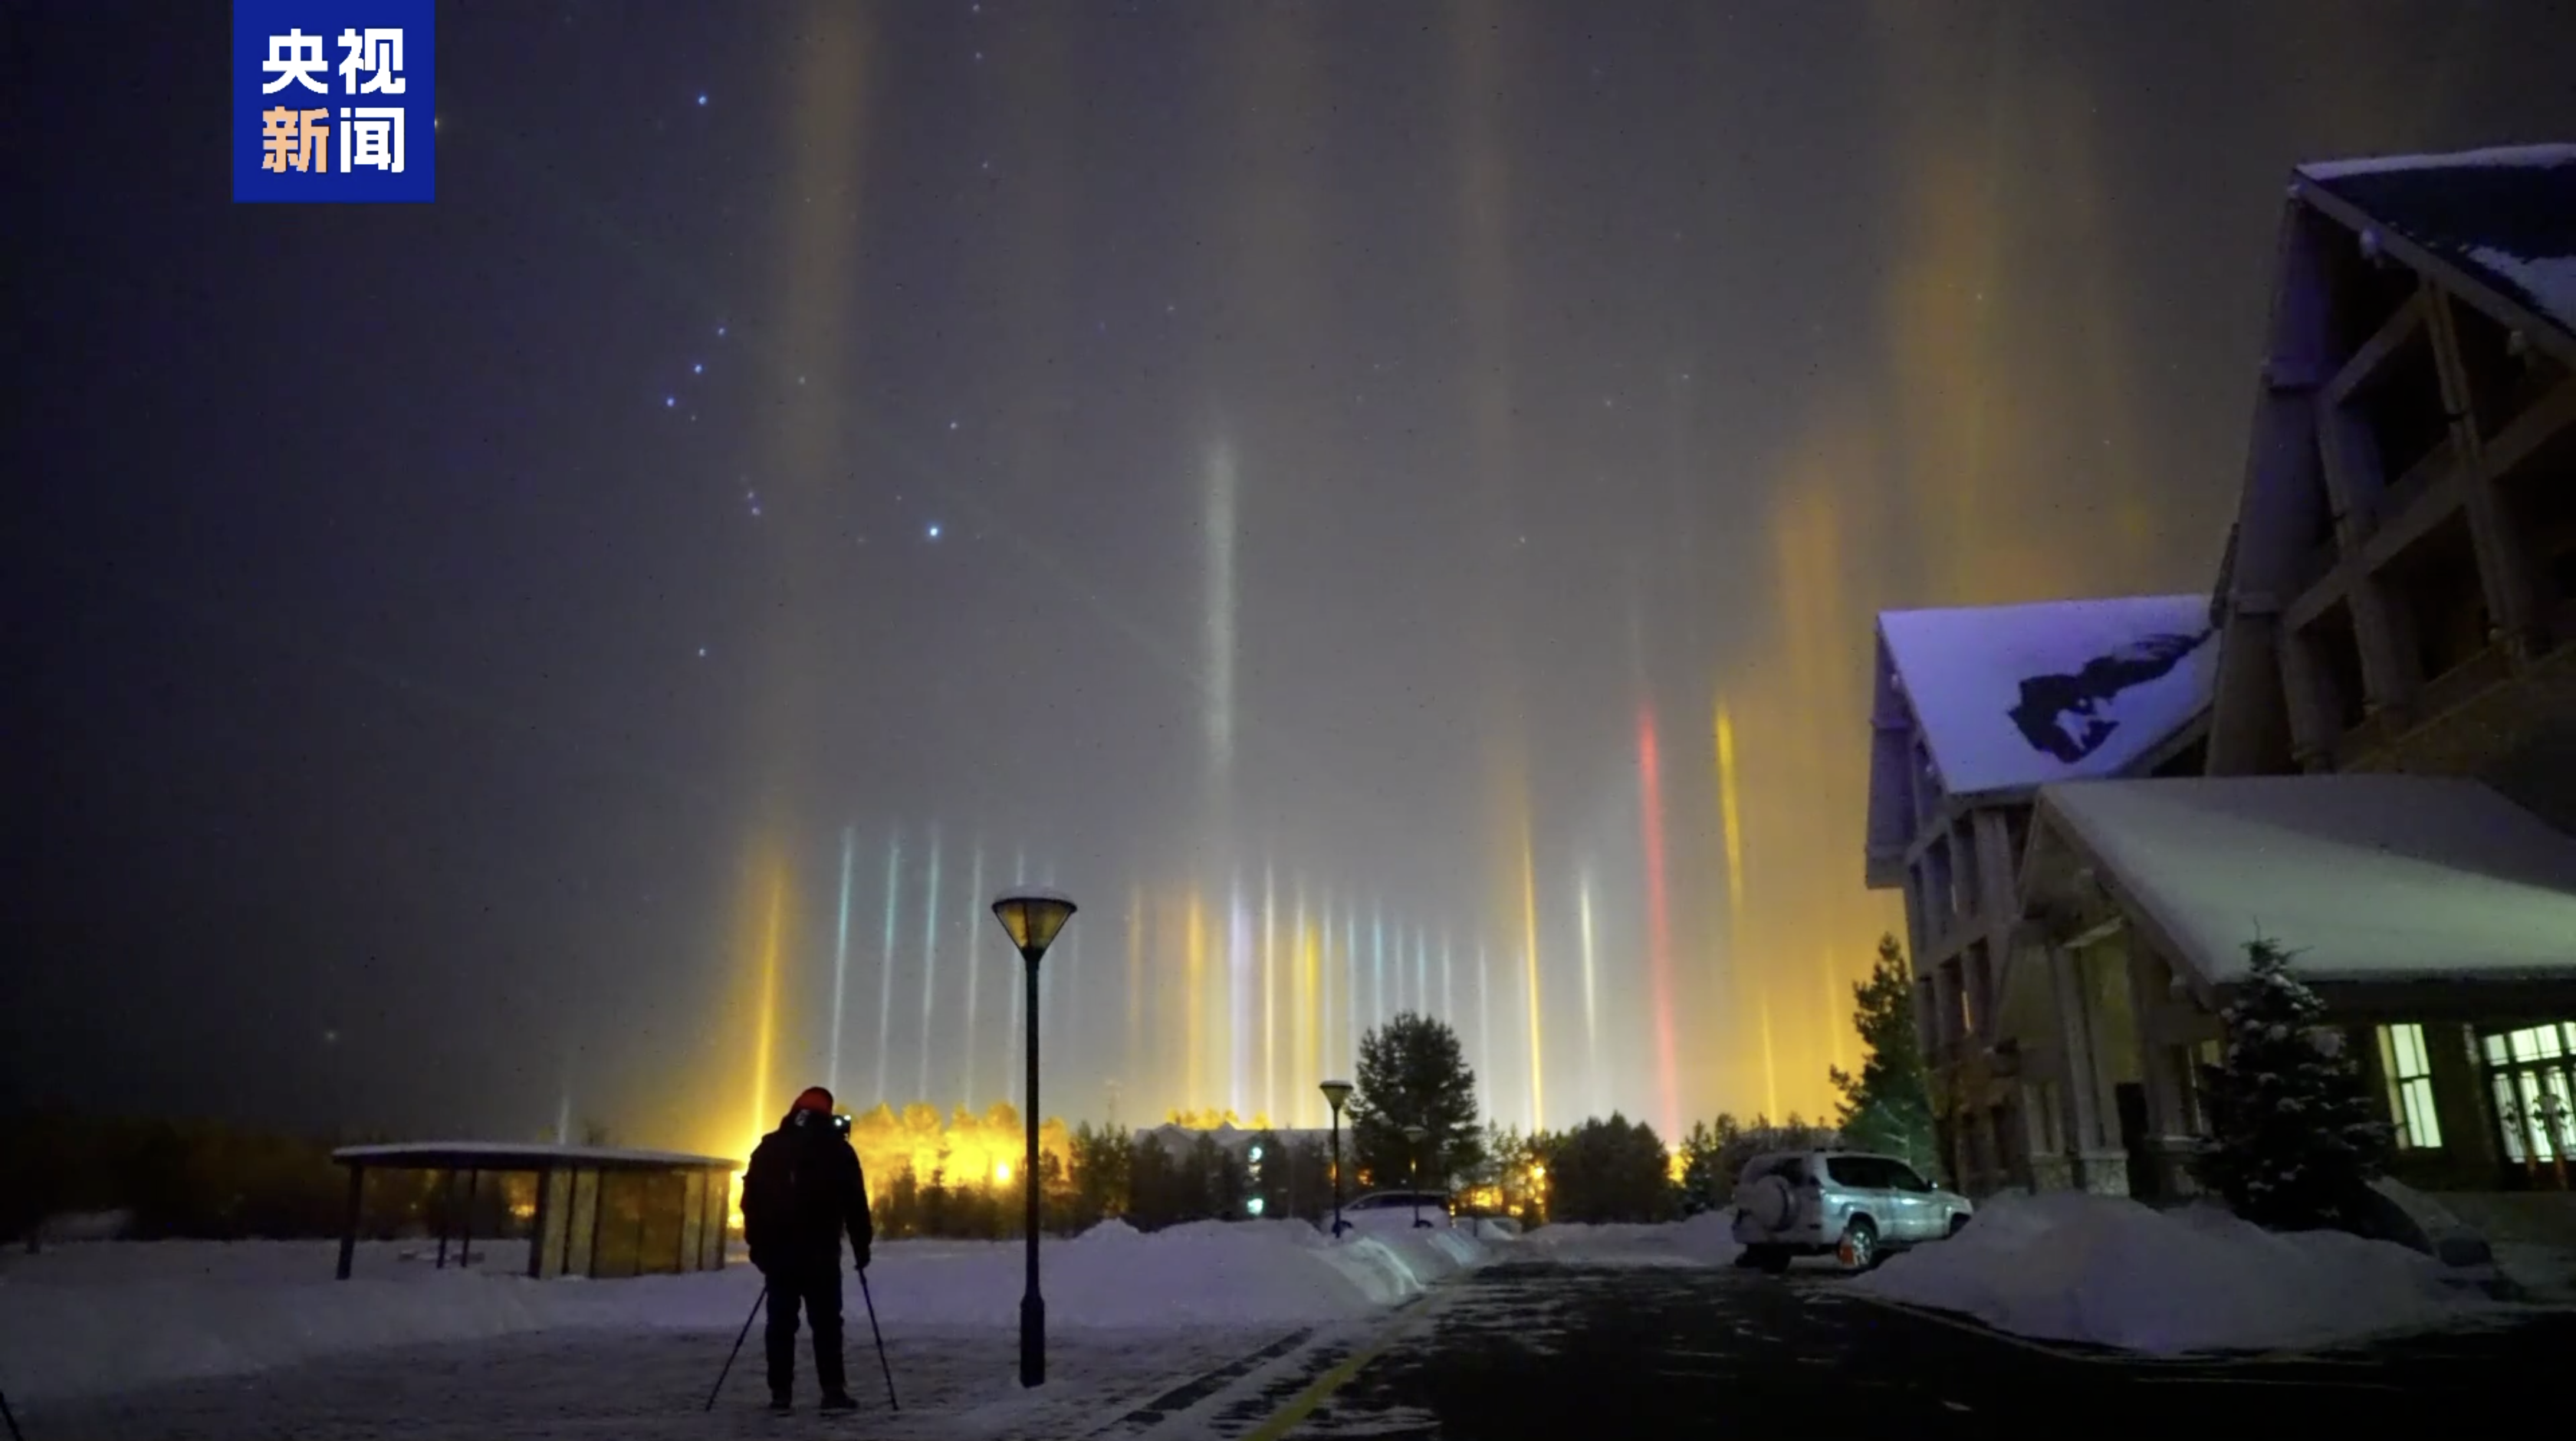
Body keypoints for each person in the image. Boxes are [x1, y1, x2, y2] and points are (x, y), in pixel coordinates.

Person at [741, 1085, 874, 1413]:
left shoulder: (769, 1147)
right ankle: (832, 1392)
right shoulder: (838, 1150)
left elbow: (750, 1203)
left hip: (780, 1255)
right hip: (821, 1254)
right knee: (827, 1324)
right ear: (827, 1113)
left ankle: (780, 1394)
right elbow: (855, 1203)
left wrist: (759, 1247)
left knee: (781, 1325)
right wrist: (861, 1245)